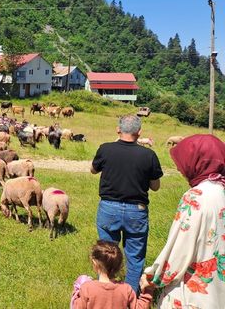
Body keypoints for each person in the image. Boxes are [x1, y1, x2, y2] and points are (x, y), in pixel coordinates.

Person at [142, 134, 225, 308]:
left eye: (184, 163)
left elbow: (179, 250)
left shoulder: (197, 197)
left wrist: (152, 278)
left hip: (194, 293)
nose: (180, 170)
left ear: (197, 162)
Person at [91, 115, 163, 294]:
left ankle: (105, 294)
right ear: (140, 132)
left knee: (107, 253)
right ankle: (129, 298)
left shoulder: (105, 149)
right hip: (136, 211)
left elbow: (93, 170)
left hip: (109, 208)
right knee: (135, 257)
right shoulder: (149, 155)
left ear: (118, 130)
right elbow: (155, 187)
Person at [71, 240, 153, 308]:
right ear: (119, 265)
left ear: (95, 263)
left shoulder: (87, 288)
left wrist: (76, 292)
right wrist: (148, 291)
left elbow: (76, 307)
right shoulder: (126, 289)